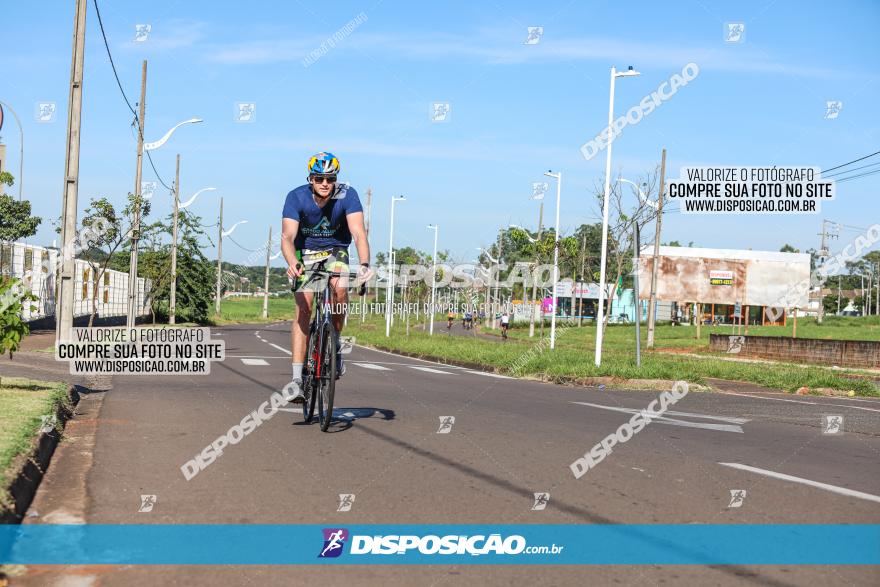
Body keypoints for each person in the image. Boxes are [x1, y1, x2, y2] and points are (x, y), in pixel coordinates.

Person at [281, 152, 372, 403]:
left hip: (336, 250)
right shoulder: (296, 197)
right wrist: (292, 263)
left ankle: (335, 344)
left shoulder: (347, 195)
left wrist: (364, 265)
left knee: (340, 288)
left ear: (335, 180)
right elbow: (287, 238)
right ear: (310, 178)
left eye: (330, 179)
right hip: (305, 252)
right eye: (319, 178)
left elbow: (358, 234)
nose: (324, 183)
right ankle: (297, 380)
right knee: (304, 306)